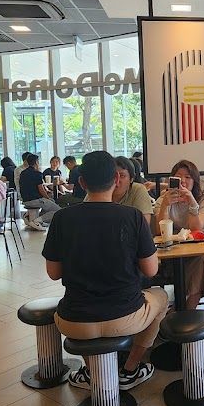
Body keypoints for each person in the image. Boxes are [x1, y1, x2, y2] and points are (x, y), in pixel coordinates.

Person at [44, 151, 166, 391]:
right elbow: (150, 270)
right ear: (115, 179)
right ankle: (130, 369)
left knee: (74, 320)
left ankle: (93, 373)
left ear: (81, 182)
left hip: (75, 320)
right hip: (125, 316)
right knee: (161, 297)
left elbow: (53, 273)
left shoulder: (61, 218)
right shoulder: (132, 217)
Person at [151, 160, 204, 309]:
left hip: (200, 251)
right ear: (171, 179)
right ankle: (185, 313)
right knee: (200, 267)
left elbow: (196, 229)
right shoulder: (163, 200)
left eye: (188, 177)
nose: (183, 181)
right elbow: (159, 231)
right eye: (178, 177)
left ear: (195, 180)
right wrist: (165, 205)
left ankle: (182, 311)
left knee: (202, 261)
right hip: (173, 254)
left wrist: (192, 203)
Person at [103, 156, 154, 220]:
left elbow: (144, 225)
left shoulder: (138, 190)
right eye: (113, 176)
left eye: (122, 176)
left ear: (131, 179)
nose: (116, 180)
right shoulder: (100, 191)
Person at [19, 154, 58, 230]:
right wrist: (47, 197)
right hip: (35, 199)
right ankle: (36, 221)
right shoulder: (37, 173)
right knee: (58, 211)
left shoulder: (23, 173)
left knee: (50, 202)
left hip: (25, 199)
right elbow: (41, 189)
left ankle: (37, 220)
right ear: (36, 162)